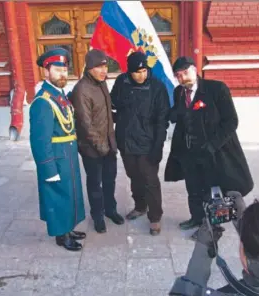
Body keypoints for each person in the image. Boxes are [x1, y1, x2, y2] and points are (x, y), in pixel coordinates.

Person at [164, 56, 254, 238]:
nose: (183, 79)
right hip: (189, 152)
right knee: (193, 188)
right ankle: (196, 218)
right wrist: (170, 114)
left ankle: (212, 229)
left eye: (185, 73)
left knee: (214, 192)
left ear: (194, 69)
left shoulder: (216, 89)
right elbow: (181, 115)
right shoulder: (178, 93)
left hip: (214, 153)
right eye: (178, 76)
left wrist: (212, 145)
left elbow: (231, 121)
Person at [29, 48, 86, 251]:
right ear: (46, 72)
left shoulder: (59, 96)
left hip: (67, 155)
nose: (62, 74)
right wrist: (48, 169)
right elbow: (39, 140)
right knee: (58, 196)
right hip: (56, 158)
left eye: (64, 69)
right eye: (57, 69)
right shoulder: (43, 102)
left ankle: (68, 228)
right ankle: (61, 236)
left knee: (69, 194)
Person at [110, 51, 170, 236]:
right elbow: (112, 103)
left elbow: (162, 120)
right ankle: (140, 205)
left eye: (144, 70)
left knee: (150, 180)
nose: (141, 75)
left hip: (147, 143)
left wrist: (158, 146)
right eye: (137, 72)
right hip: (127, 141)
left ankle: (155, 217)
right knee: (134, 176)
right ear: (129, 71)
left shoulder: (157, 87)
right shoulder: (121, 82)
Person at [69, 49, 124, 234]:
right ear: (89, 68)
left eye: (105, 66)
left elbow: (106, 113)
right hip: (91, 149)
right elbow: (86, 124)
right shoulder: (81, 89)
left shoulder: (102, 84)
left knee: (110, 181)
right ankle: (98, 216)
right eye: (99, 66)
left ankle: (111, 210)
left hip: (108, 144)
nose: (104, 70)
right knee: (95, 184)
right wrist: (102, 147)